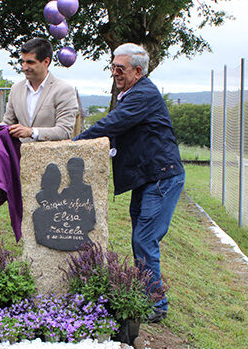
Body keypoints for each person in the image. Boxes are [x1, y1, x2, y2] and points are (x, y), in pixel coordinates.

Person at [73, 43, 185, 323]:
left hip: (161, 178)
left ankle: (156, 304)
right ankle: (144, 293)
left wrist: (74, 143)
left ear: (138, 70)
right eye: (112, 68)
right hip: (148, 178)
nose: (114, 73)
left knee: (145, 238)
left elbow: (115, 122)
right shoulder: (132, 93)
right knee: (141, 237)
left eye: (119, 68)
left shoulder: (142, 94)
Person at [0, 38, 78, 142]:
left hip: (50, 156)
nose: (24, 67)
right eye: (23, 62)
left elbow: (64, 131)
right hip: (20, 156)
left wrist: (32, 132)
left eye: (30, 62)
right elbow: (7, 125)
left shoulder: (64, 90)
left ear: (46, 62)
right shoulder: (16, 89)